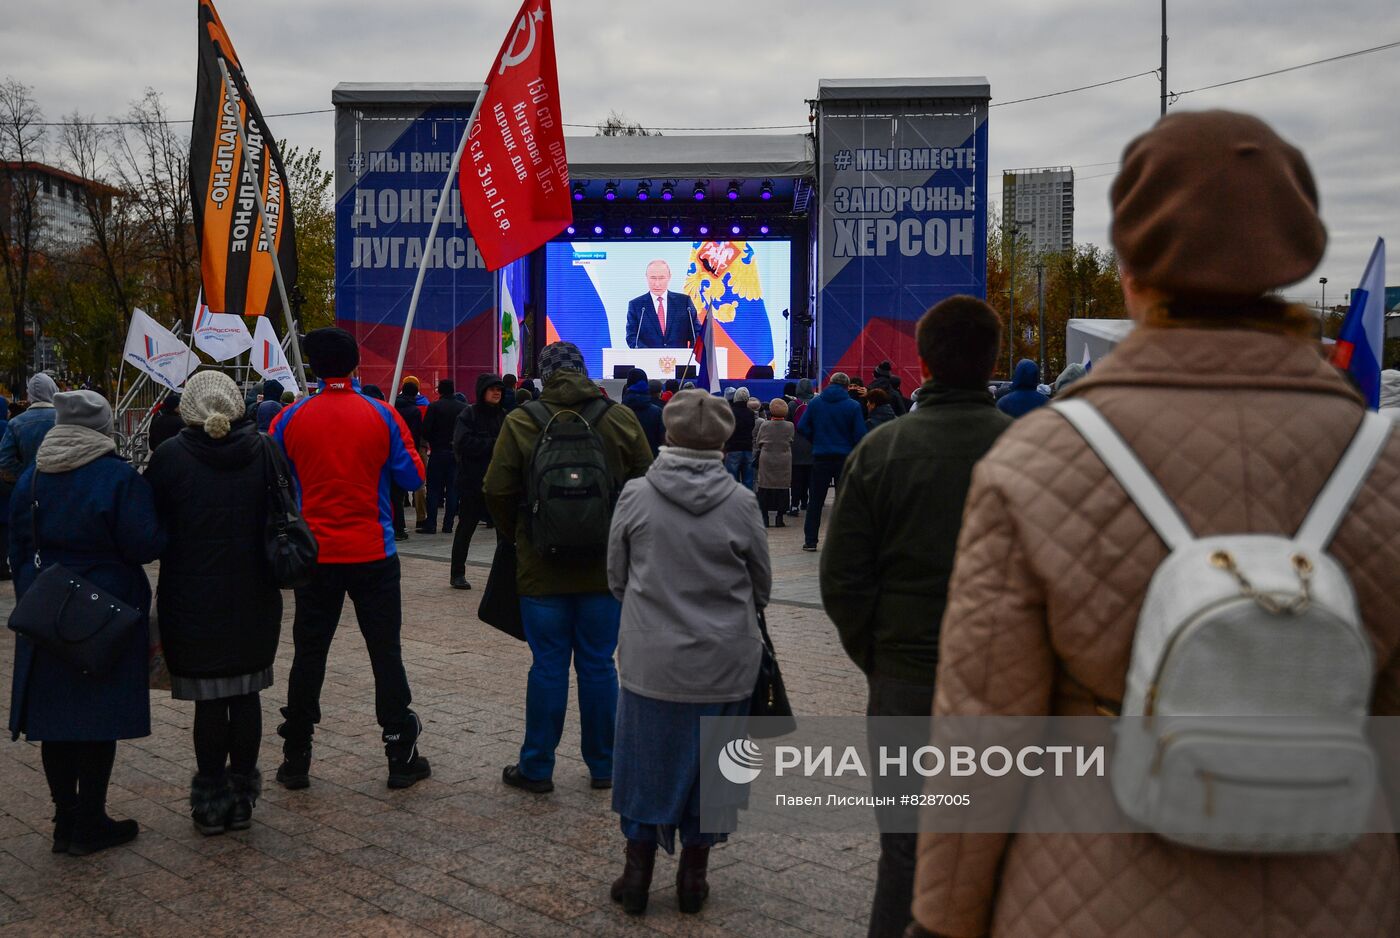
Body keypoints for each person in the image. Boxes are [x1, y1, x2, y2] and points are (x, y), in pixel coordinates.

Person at [908, 110, 1400, 938]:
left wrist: (942, 920)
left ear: (1132, 275)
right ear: (1289, 267)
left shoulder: (1040, 460)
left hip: (1086, 892)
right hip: (1340, 893)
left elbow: (984, 736)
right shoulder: (1383, 464)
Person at [821, 296, 1010, 938]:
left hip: (905, 677)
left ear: (922, 365)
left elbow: (842, 579)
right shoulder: (1033, 452)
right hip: (1007, 686)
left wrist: (879, 655)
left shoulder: (882, 451)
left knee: (904, 849)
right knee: (1000, 848)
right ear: (992, 362)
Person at [606, 389, 769, 916]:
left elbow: (616, 577)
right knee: (717, 770)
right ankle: (694, 877)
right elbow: (762, 587)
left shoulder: (636, 495)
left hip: (652, 660)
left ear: (668, 433)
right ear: (724, 438)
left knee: (643, 761)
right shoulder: (742, 502)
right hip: (726, 662)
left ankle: (637, 872)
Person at [483, 341, 652, 794]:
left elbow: (496, 488)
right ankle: (606, 766)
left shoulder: (522, 420)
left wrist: (520, 535)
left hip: (541, 569)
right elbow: (647, 484)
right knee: (599, 665)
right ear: (583, 370)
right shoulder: (619, 417)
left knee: (548, 666)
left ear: (544, 375)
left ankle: (537, 768)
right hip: (605, 569)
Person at [269, 328, 431, 791]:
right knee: (385, 652)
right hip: (373, 552)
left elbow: (275, 480)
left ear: (314, 367)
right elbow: (413, 476)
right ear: (355, 365)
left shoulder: (288, 418)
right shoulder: (381, 414)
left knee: (309, 653)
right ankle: (399, 751)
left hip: (314, 554)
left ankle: (296, 755)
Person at [8, 390, 165, 855]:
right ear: (103, 427)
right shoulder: (117, 476)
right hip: (104, 611)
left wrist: (33, 591)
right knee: (98, 716)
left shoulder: (33, 477)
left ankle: (65, 819)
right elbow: (144, 543)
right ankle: (92, 819)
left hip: (47, 607)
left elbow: (17, 544)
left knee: (55, 719)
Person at [145, 371, 281, 835]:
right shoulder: (264, 450)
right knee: (245, 694)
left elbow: (151, 527)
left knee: (209, 701)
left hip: (191, 598)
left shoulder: (169, 457)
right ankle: (242, 800)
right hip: (254, 595)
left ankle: (210, 800)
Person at [796, 373, 866, 551]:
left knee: (816, 501)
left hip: (821, 457)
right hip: (844, 458)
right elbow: (860, 435)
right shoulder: (853, 406)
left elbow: (802, 426)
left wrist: (816, 440)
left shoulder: (816, 403)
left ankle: (810, 540)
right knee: (845, 502)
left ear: (830, 383)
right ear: (847, 386)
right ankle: (843, 541)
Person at [450, 373, 505, 589]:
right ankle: (457, 573)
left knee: (504, 532)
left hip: (498, 483)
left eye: (499, 389)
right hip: (472, 483)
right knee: (466, 528)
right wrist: (492, 444)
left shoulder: (504, 416)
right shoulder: (469, 414)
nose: (496, 393)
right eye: (492, 389)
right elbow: (462, 443)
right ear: (483, 391)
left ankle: (502, 575)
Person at [421, 379, 466, 535]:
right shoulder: (463, 408)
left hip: (438, 452)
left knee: (433, 489)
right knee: (453, 490)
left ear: (439, 390)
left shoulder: (434, 407)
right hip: (455, 453)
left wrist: (433, 441)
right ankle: (448, 525)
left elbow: (425, 430)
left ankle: (431, 524)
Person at [625, 260, 701, 349]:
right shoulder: (636, 305)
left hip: (679, 357)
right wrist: (650, 355)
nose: (657, 284)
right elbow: (632, 337)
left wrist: (691, 354)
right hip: (648, 357)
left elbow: (696, 334)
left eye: (661, 278)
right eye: (653, 278)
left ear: (669, 277)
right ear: (646, 277)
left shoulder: (684, 302)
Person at [0, 373, 59, 485]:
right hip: (60, 484)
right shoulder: (64, 418)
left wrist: (25, 475)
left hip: (30, 487)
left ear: (29, 394)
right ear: (53, 390)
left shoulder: (16, 423)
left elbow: (4, 459)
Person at [753, 398, 794, 526]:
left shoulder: (765, 425)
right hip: (783, 459)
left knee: (765, 486)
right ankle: (779, 518)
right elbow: (791, 440)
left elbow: (759, 441)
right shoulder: (790, 426)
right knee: (782, 487)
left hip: (767, 458)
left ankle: (765, 518)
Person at [394, 379, 426, 537]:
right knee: (419, 483)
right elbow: (417, 432)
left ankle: (398, 523)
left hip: (394, 449)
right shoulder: (416, 409)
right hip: (411, 448)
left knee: (394, 489)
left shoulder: (392, 405)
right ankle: (421, 518)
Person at [622, 368, 664, 456]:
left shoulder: (618, 412)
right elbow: (663, 442)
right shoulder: (657, 412)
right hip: (652, 460)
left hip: (625, 462)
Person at [723, 387, 757, 488]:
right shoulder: (751, 413)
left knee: (732, 482)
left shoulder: (730, 412)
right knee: (748, 481)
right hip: (748, 449)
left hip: (733, 449)